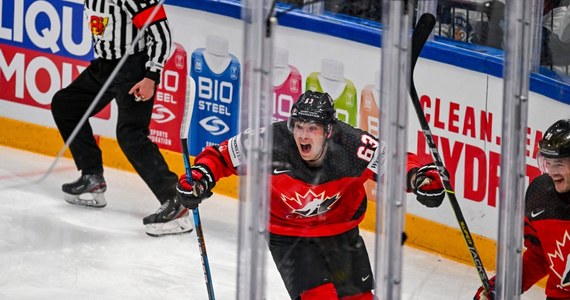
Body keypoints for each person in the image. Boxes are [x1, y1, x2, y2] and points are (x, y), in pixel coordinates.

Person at [176, 91, 446, 299]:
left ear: (328, 131)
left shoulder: (353, 147)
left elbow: (396, 163)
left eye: (313, 128)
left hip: (341, 234)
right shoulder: (270, 141)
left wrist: (419, 177)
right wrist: (199, 177)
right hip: (289, 235)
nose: (303, 135)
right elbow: (221, 156)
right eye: (299, 126)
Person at [50, 0, 192, 237]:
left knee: (130, 134)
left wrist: (151, 76)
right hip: (105, 67)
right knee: (67, 105)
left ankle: (174, 199)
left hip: (133, 68)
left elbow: (161, 34)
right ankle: (91, 176)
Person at [474, 119, 570, 299]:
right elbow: (539, 256)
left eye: (559, 164)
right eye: (547, 162)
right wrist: (503, 288)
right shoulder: (541, 194)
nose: (551, 171)